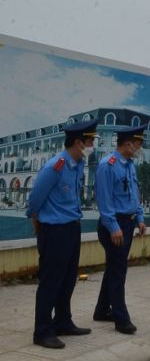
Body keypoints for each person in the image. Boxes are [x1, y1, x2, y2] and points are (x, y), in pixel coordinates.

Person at [25, 118, 98, 349]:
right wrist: (36, 219)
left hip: (71, 227)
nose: (92, 145)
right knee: (51, 281)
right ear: (78, 143)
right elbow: (35, 198)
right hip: (54, 230)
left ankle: (63, 321)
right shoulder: (55, 166)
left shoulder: (76, 165)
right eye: (90, 141)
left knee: (67, 279)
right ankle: (42, 331)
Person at [93, 125, 147, 334]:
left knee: (114, 268)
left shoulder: (130, 165)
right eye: (139, 144)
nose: (140, 148)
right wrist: (114, 227)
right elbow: (104, 201)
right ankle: (121, 319)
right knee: (118, 271)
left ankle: (101, 310)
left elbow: (134, 194)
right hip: (114, 226)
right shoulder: (107, 165)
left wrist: (139, 218)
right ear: (128, 144)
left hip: (127, 223)